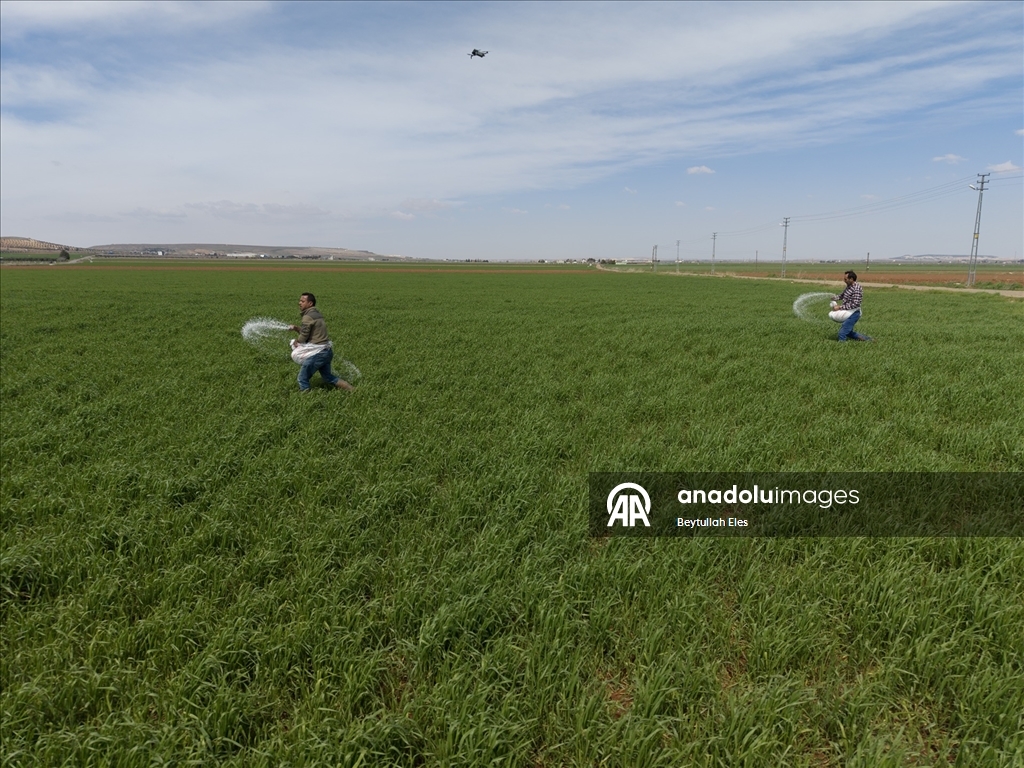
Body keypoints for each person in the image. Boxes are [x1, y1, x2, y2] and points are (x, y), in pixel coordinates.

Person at [288, 293, 354, 391]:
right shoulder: (317, 314)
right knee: (328, 377)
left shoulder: (307, 317)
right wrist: (296, 328)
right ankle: (353, 390)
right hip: (326, 351)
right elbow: (311, 332)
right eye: (300, 301)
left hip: (318, 353)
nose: (299, 303)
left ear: (310, 303)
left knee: (302, 378)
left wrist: (297, 342)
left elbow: (305, 334)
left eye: (302, 301)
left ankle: (306, 400)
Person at [830, 271, 873, 342]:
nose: (844, 281)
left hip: (854, 313)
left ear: (851, 279)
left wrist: (840, 307)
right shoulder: (849, 286)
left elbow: (855, 304)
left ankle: (842, 348)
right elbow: (842, 295)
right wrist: (835, 298)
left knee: (842, 333)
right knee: (849, 333)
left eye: (845, 279)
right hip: (848, 312)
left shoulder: (857, 288)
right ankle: (869, 340)